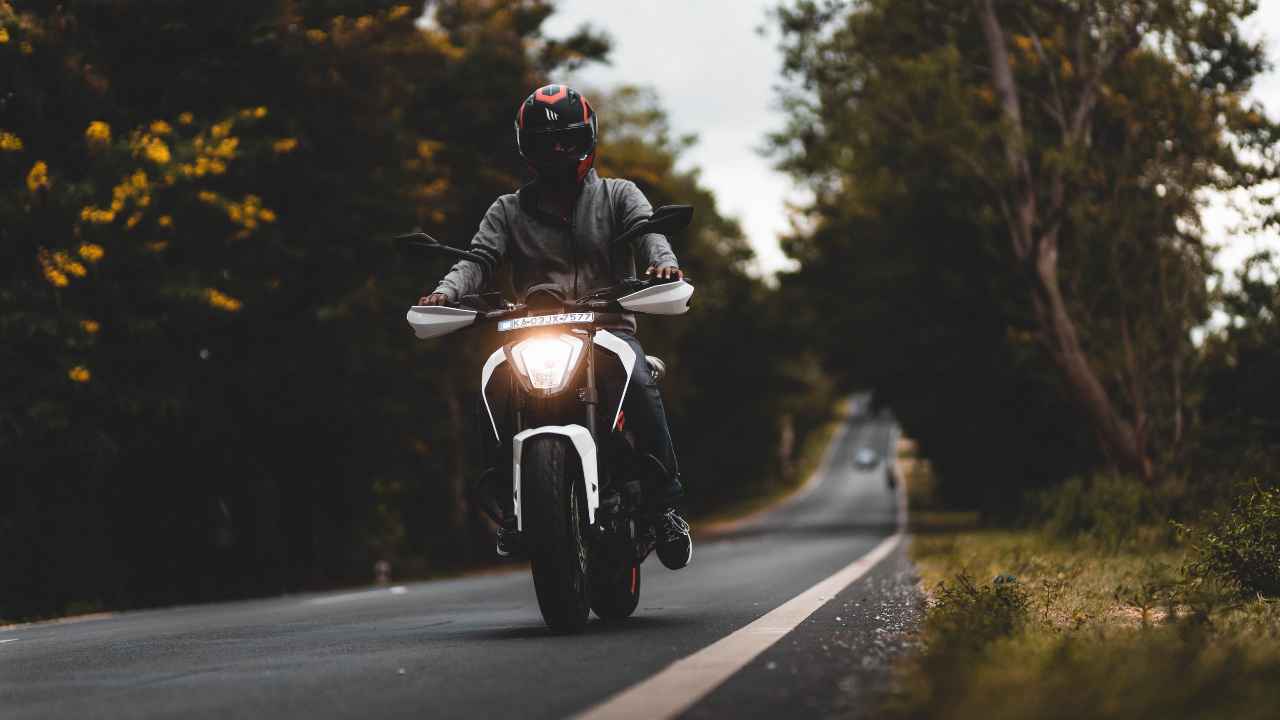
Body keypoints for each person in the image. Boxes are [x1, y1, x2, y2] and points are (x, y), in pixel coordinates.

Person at [418, 84, 691, 566]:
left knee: (642, 379)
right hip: (530, 332)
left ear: (586, 139)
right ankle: (507, 504)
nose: (558, 151)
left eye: (566, 140)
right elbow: (478, 260)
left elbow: (650, 235)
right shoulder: (506, 210)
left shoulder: (618, 195)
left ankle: (666, 505)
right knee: (488, 384)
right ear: (528, 148)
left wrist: (663, 267)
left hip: (607, 328)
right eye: (546, 143)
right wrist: (445, 293)